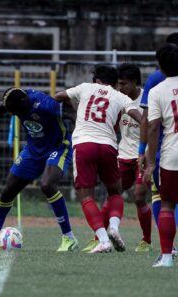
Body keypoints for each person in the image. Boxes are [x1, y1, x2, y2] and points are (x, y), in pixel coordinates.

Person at [0, 88, 78, 252]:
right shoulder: (16, 102)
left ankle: (69, 238)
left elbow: (72, 113)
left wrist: (81, 133)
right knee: (8, 190)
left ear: (24, 103)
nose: (14, 115)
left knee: (47, 186)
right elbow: (2, 107)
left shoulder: (46, 105)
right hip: (33, 150)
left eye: (15, 112)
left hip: (58, 147)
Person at [54, 65, 141, 253]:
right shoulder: (120, 96)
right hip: (108, 146)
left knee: (86, 196)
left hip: (85, 144)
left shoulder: (85, 87)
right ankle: (114, 228)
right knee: (115, 192)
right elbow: (137, 114)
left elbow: (58, 97)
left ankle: (103, 240)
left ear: (98, 81)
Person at [139, 32, 178, 260]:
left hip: (170, 155)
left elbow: (152, 126)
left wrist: (149, 162)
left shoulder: (157, 89)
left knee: (167, 203)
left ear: (160, 66)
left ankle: (167, 257)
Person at [116, 63, 151, 252]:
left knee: (139, 196)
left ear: (135, 82)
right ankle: (103, 235)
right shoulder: (118, 99)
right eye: (118, 84)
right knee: (114, 192)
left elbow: (154, 127)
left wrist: (148, 153)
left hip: (143, 156)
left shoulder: (147, 100)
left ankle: (146, 240)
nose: (120, 88)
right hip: (123, 155)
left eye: (123, 84)